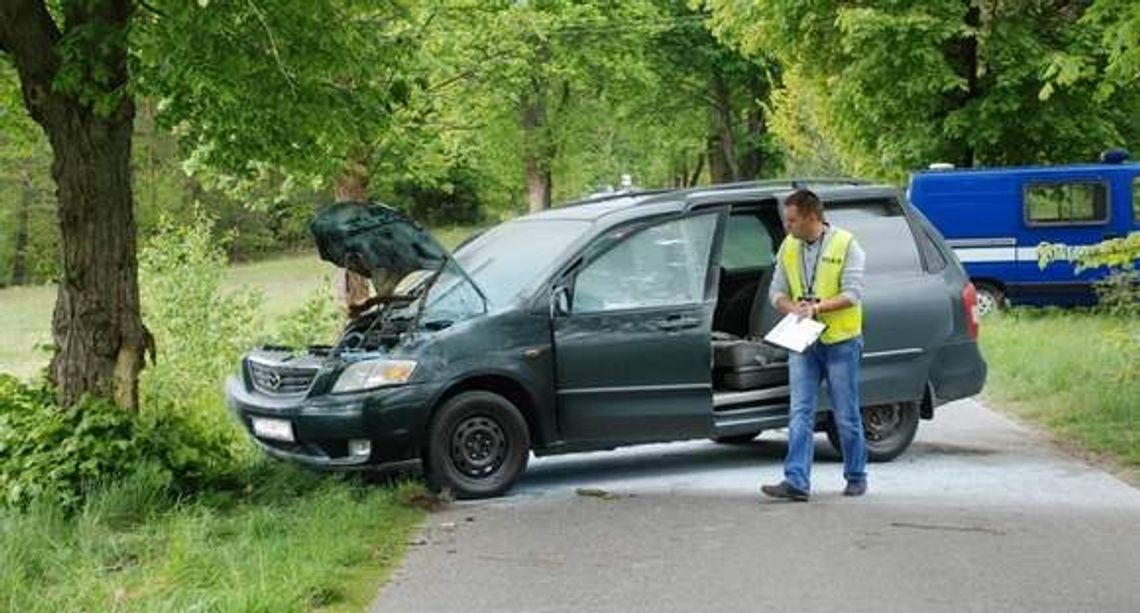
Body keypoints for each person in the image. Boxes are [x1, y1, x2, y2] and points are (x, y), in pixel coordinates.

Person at [761, 188, 868, 502]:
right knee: (800, 412)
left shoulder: (846, 244)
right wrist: (791, 307)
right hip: (803, 341)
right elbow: (775, 292)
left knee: (845, 414)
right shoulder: (788, 247)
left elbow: (852, 293)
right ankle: (796, 481)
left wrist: (818, 308)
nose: (787, 226)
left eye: (792, 220)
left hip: (841, 342)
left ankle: (856, 475)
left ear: (812, 217)